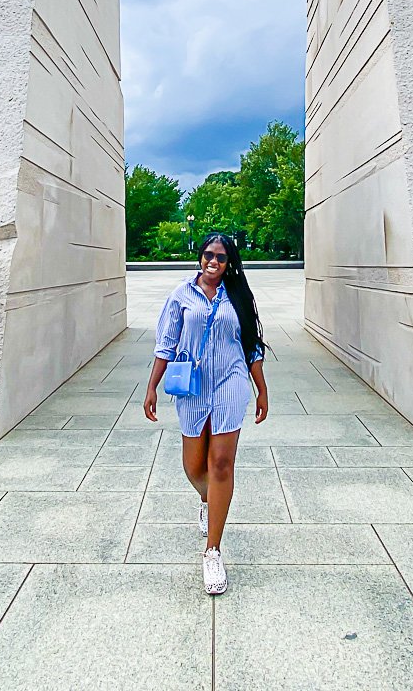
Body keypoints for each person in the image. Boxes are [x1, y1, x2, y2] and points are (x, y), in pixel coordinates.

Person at [143, 232, 268, 595]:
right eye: (208, 255)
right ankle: (206, 499)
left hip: (230, 383)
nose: (213, 262)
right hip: (193, 386)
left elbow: (252, 347)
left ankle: (212, 550)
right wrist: (152, 387)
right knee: (195, 468)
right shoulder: (181, 296)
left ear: (230, 263)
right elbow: (165, 344)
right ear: (200, 257)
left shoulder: (239, 297)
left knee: (221, 465)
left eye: (221, 257)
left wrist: (262, 389)